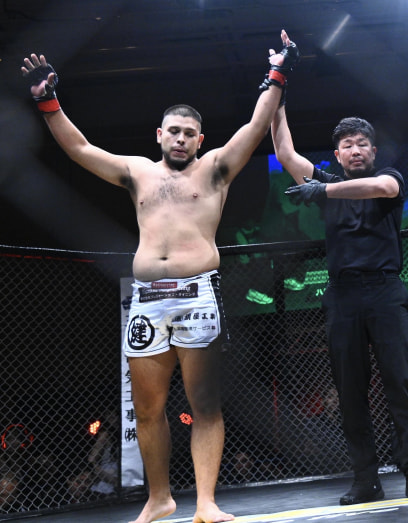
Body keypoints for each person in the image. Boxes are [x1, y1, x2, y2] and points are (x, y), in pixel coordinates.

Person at [21, 30, 299, 523]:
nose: (181, 138)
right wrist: (48, 101)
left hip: (197, 295)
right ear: (159, 135)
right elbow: (80, 149)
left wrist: (277, 72)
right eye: (173, 131)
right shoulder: (137, 172)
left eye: (189, 132)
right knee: (148, 410)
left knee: (204, 403)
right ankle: (159, 498)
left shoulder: (215, 169)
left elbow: (257, 125)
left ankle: (206, 503)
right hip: (148, 300)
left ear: (200, 140)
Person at [273, 106, 408, 504]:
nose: (355, 150)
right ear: (337, 155)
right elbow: (285, 154)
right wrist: (277, 99)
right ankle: (365, 478)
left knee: (402, 381)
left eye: (362, 144)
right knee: (350, 390)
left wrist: (322, 190)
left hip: (385, 290)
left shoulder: (390, 177)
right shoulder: (328, 184)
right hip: (343, 294)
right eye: (347, 145)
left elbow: (382, 189)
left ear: (373, 151)